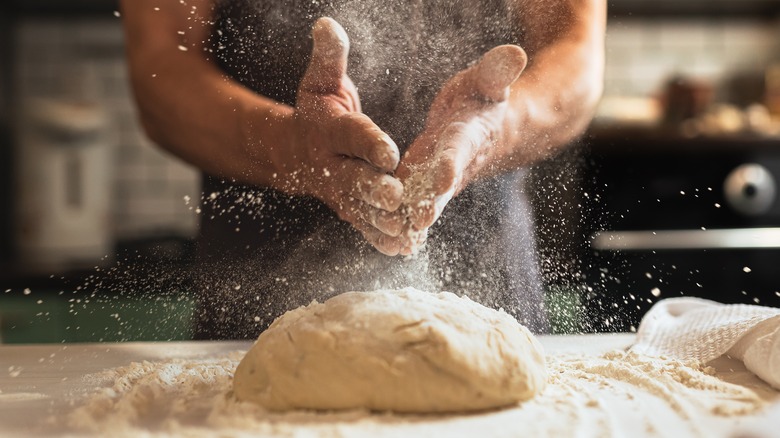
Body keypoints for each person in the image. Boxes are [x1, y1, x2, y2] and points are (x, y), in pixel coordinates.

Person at [120, 0, 606, 339]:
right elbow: (160, 70)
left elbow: (576, 58)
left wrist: (493, 130)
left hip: (489, 290)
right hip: (257, 300)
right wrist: (292, 149)